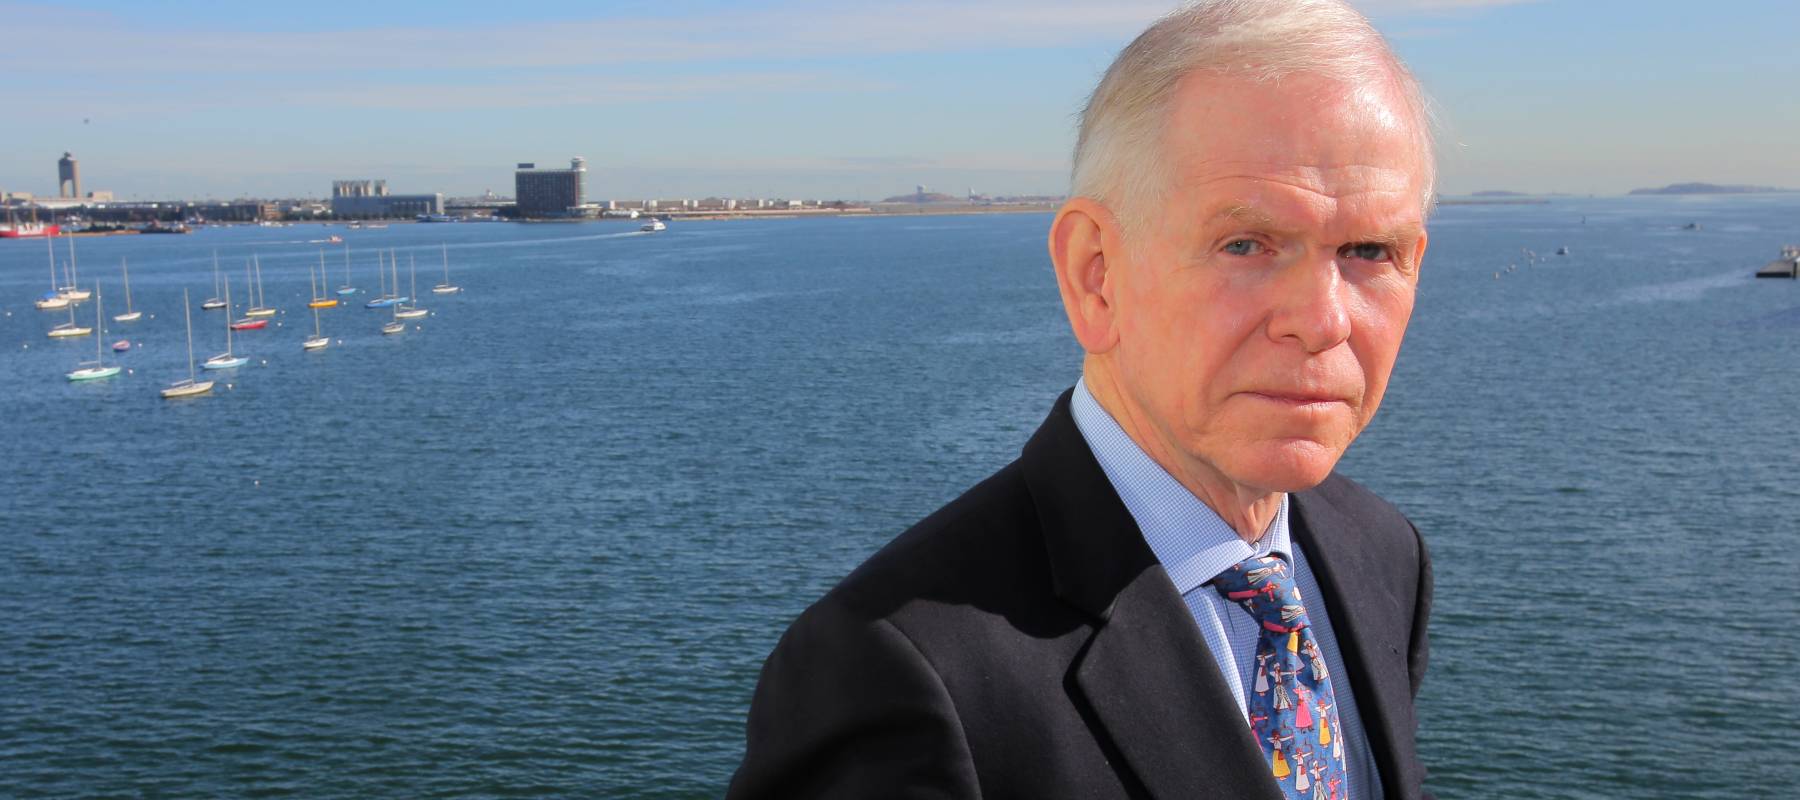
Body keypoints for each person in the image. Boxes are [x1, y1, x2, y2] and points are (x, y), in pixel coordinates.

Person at [728, 1, 1436, 797]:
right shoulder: (895, 674)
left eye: (1370, 250)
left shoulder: (1381, 555)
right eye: (1246, 244)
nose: (1323, 321)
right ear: (1095, 274)